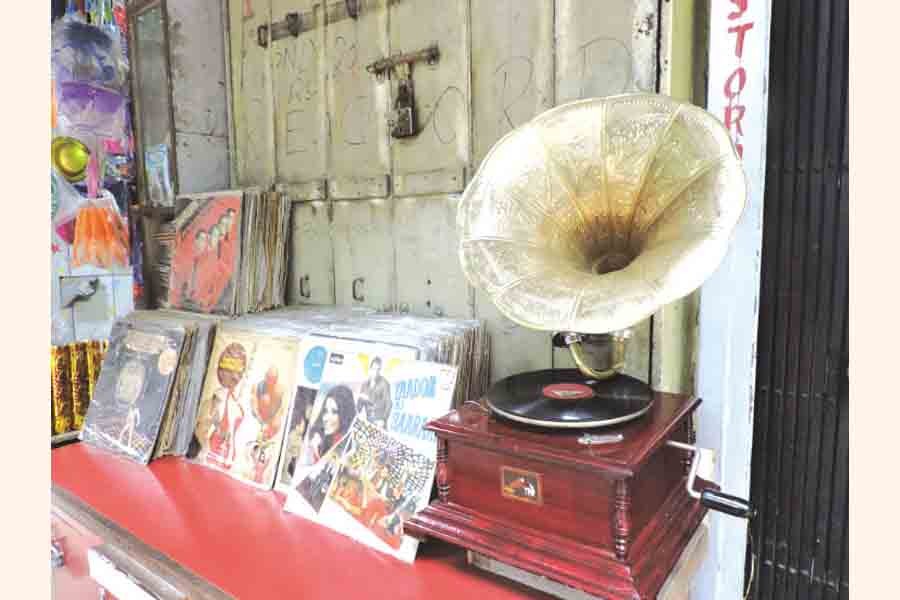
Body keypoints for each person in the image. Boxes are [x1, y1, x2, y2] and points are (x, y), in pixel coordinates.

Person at [305, 385, 356, 463]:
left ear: (345, 414)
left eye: (334, 411)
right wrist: (315, 435)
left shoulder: (347, 447)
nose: (325, 418)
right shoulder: (320, 438)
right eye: (325, 410)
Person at [115, 360, 145, 450]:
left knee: (127, 431)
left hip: (130, 422)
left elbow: (137, 416)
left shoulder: (133, 409)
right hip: (129, 422)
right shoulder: (133, 409)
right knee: (126, 431)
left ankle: (125, 443)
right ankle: (123, 441)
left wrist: (138, 421)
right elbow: (137, 416)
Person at [357, 357, 392, 428]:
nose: (375, 372)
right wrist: (355, 412)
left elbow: (389, 403)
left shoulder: (384, 383)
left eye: (378, 369)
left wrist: (383, 419)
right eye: (373, 369)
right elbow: (359, 405)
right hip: (368, 422)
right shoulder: (365, 384)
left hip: (380, 421)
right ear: (370, 369)